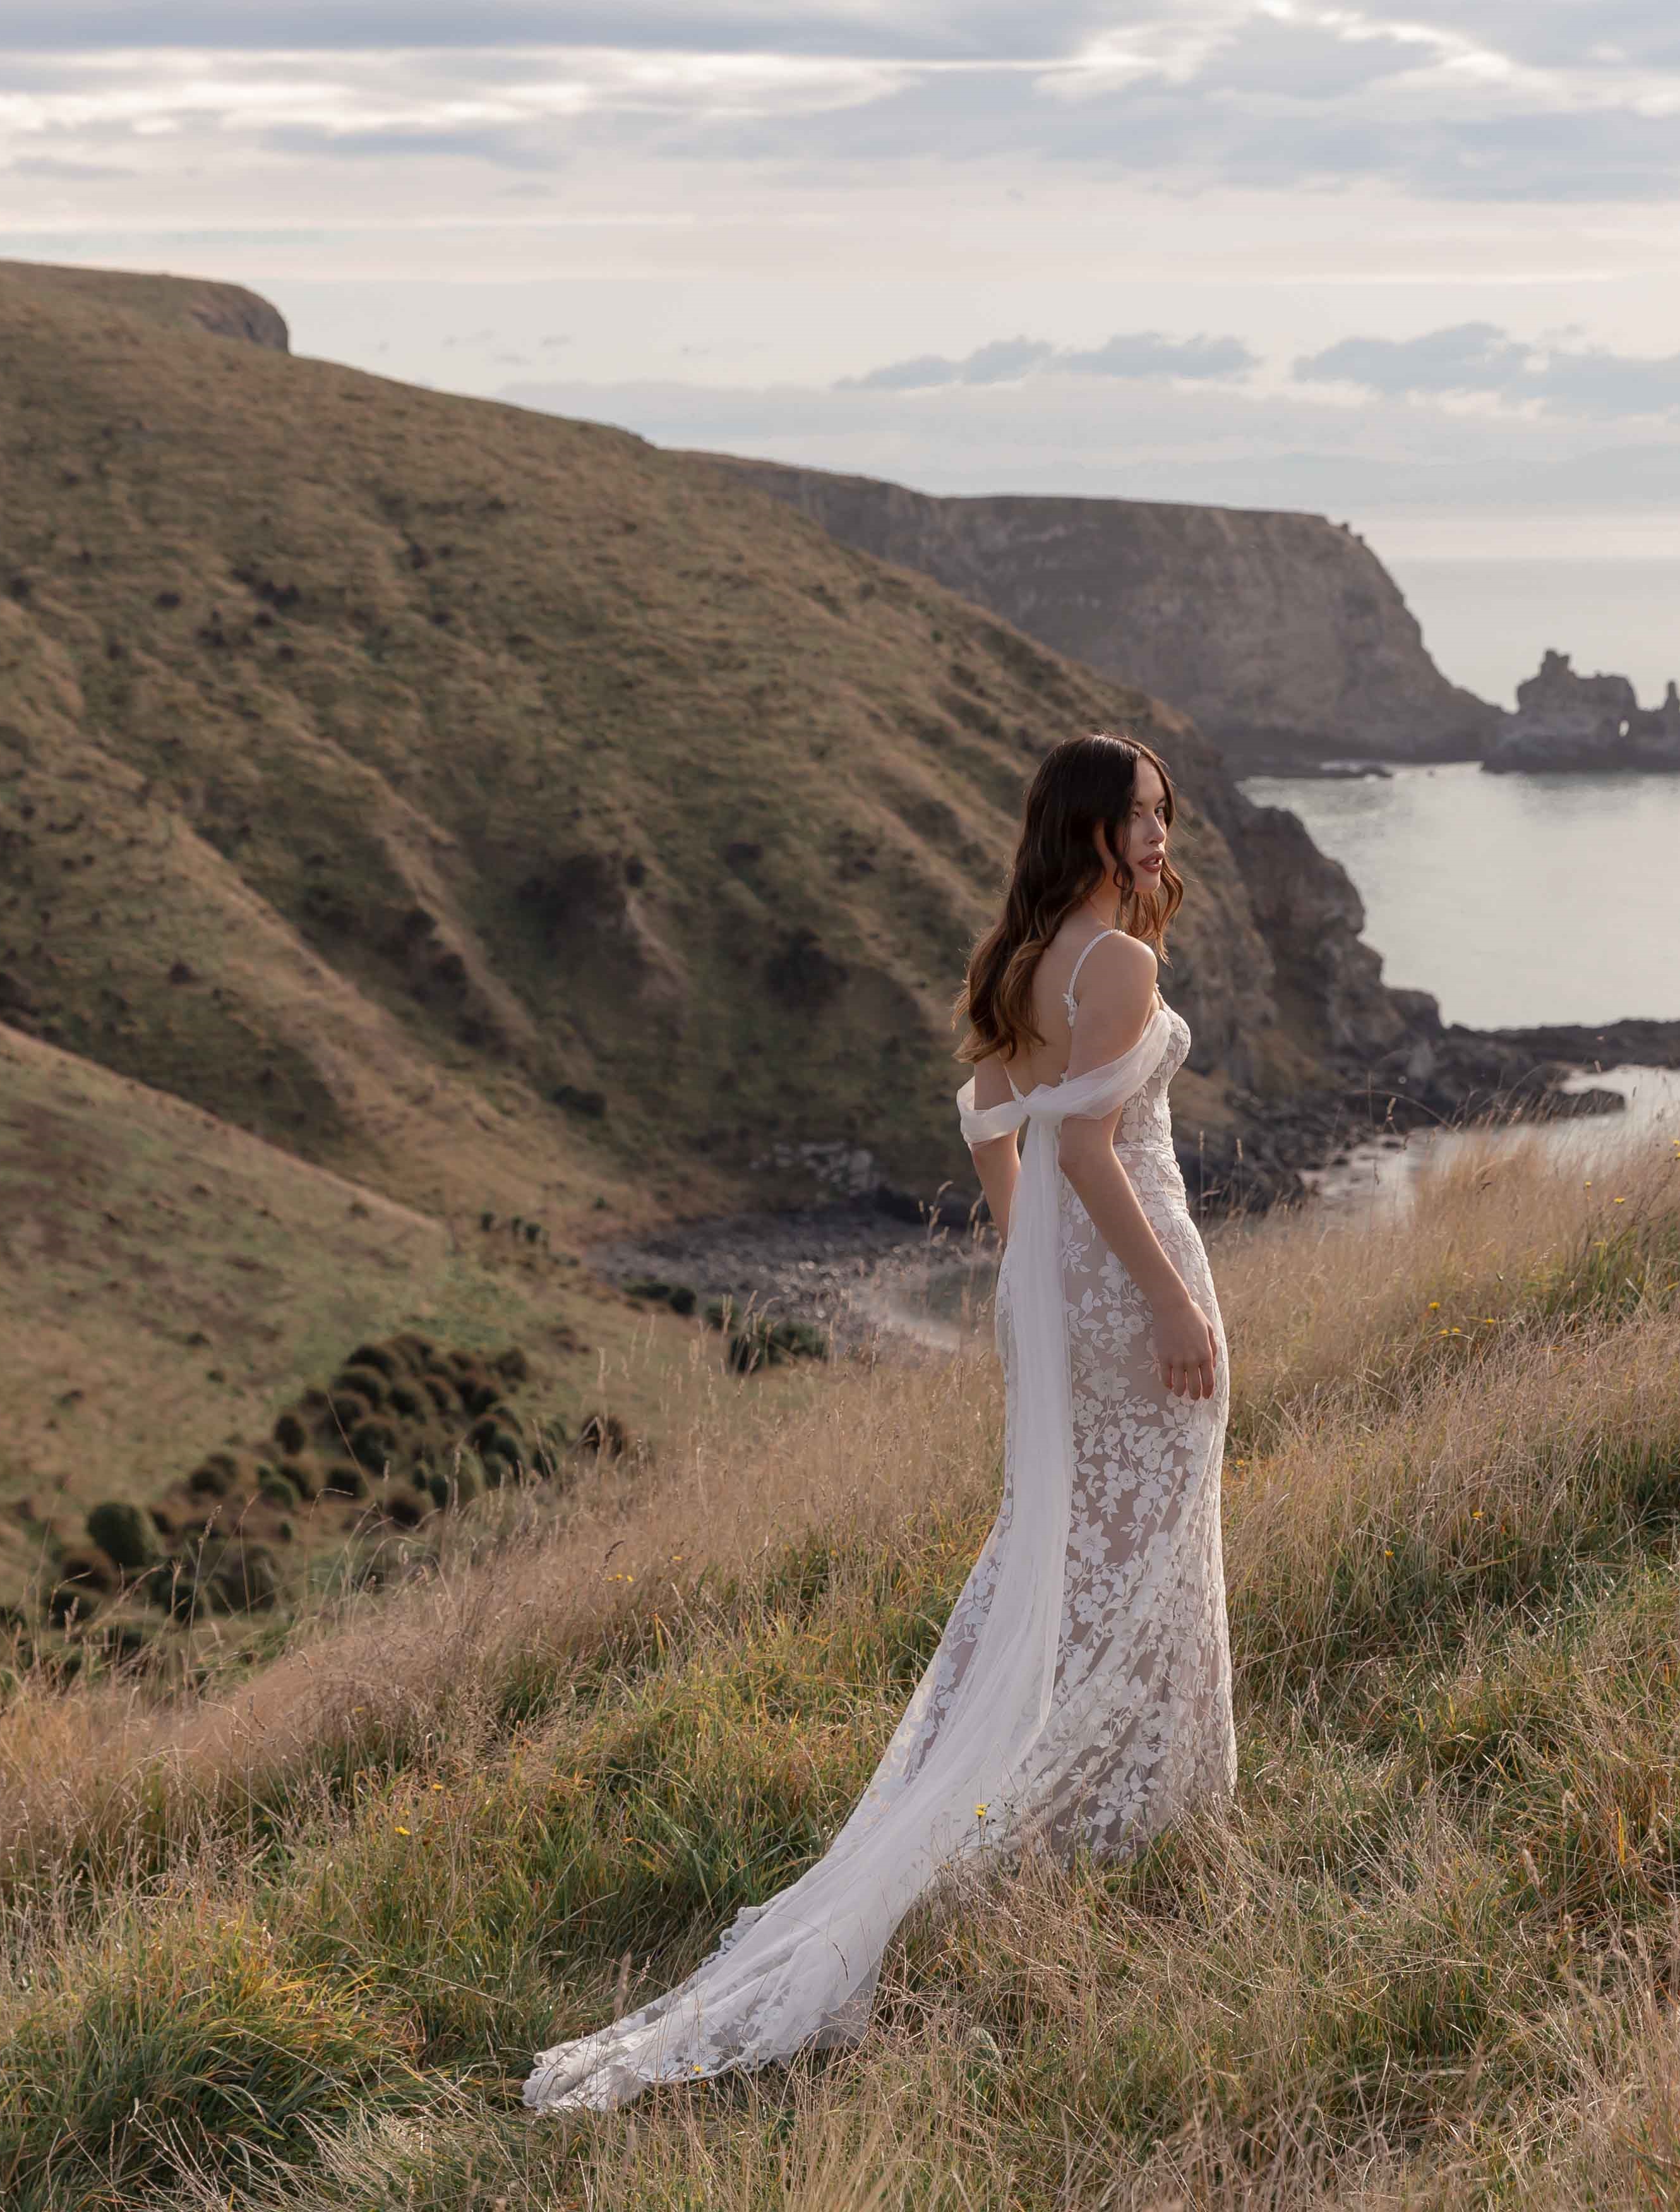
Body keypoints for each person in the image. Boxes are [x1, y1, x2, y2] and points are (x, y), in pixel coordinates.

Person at [524, 732, 1239, 2112]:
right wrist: (1168, 1306)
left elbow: (990, 1106)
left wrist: (1024, 1252)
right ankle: (1131, 1817)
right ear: (1084, 828)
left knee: (1064, 1539)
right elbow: (1089, 1143)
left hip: (1058, 1286)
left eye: (1162, 812)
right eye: (1136, 816)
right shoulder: (1120, 963)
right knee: (1144, 1536)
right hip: (1128, 1270)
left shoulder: (1025, 956)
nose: (1158, 836)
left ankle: (1061, 1799)